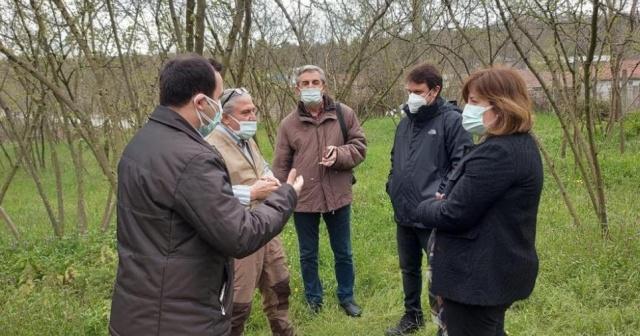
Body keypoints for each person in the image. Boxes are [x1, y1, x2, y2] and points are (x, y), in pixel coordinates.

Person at [109, 53, 303, 336]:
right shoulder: (193, 157)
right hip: (180, 318)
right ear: (201, 102)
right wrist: (287, 195)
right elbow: (240, 234)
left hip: (138, 309)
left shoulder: (140, 143)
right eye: (218, 98)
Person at [414, 67, 544, 336]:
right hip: (494, 271)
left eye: (474, 102)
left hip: (477, 278)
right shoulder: (518, 143)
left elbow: (454, 213)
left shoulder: (499, 152)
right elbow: (479, 200)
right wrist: (455, 197)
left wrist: (427, 206)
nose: (466, 109)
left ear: (502, 105)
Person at [385, 62, 473, 336]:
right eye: (408, 90)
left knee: (439, 273)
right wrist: (392, 185)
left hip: (433, 213)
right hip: (404, 211)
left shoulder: (452, 121)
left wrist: (441, 197)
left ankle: (445, 325)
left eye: (418, 90)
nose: (411, 96)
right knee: (408, 268)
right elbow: (394, 160)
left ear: (435, 91)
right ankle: (412, 316)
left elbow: (463, 164)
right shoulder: (404, 124)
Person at [272, 65, 367, 318]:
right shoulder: (287, 125)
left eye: (316, 82)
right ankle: (314, 299)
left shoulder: (344, 114)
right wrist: (283, 198)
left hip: (337, 194)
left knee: (343, 251)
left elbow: (359, 146)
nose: (311, 87)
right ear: (297, 88)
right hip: (303, 198)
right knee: (308, 254)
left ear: (324, 86)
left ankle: (346, 296)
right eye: (305, 83)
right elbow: (281, 165)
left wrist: (340, 154)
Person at [204, 88, 295, 336]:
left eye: (253, 110)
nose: (253, 116)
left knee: (279, 287)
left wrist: (270, 179)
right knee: (238, 304)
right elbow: (209, 195)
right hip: (239, 233)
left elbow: (260, 167)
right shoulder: (210, 147)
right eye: (246, 112)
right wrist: (251, 193)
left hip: (266, 226)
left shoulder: (247, 140)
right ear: (225, 117)